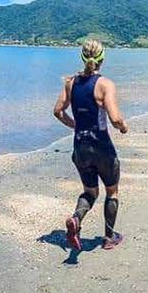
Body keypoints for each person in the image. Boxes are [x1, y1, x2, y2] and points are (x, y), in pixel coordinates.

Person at [53, 39, 128, 252]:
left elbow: (58, 111)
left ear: (82, 57)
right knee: (111, 192)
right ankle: (108, 237)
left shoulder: (71, 82)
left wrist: (75, 125)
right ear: (102, 58)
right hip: (101, 146)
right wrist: (123, 127)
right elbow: (115, 118)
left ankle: (76, 219)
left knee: (90, 192)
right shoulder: (105, 84)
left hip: (80, 146)